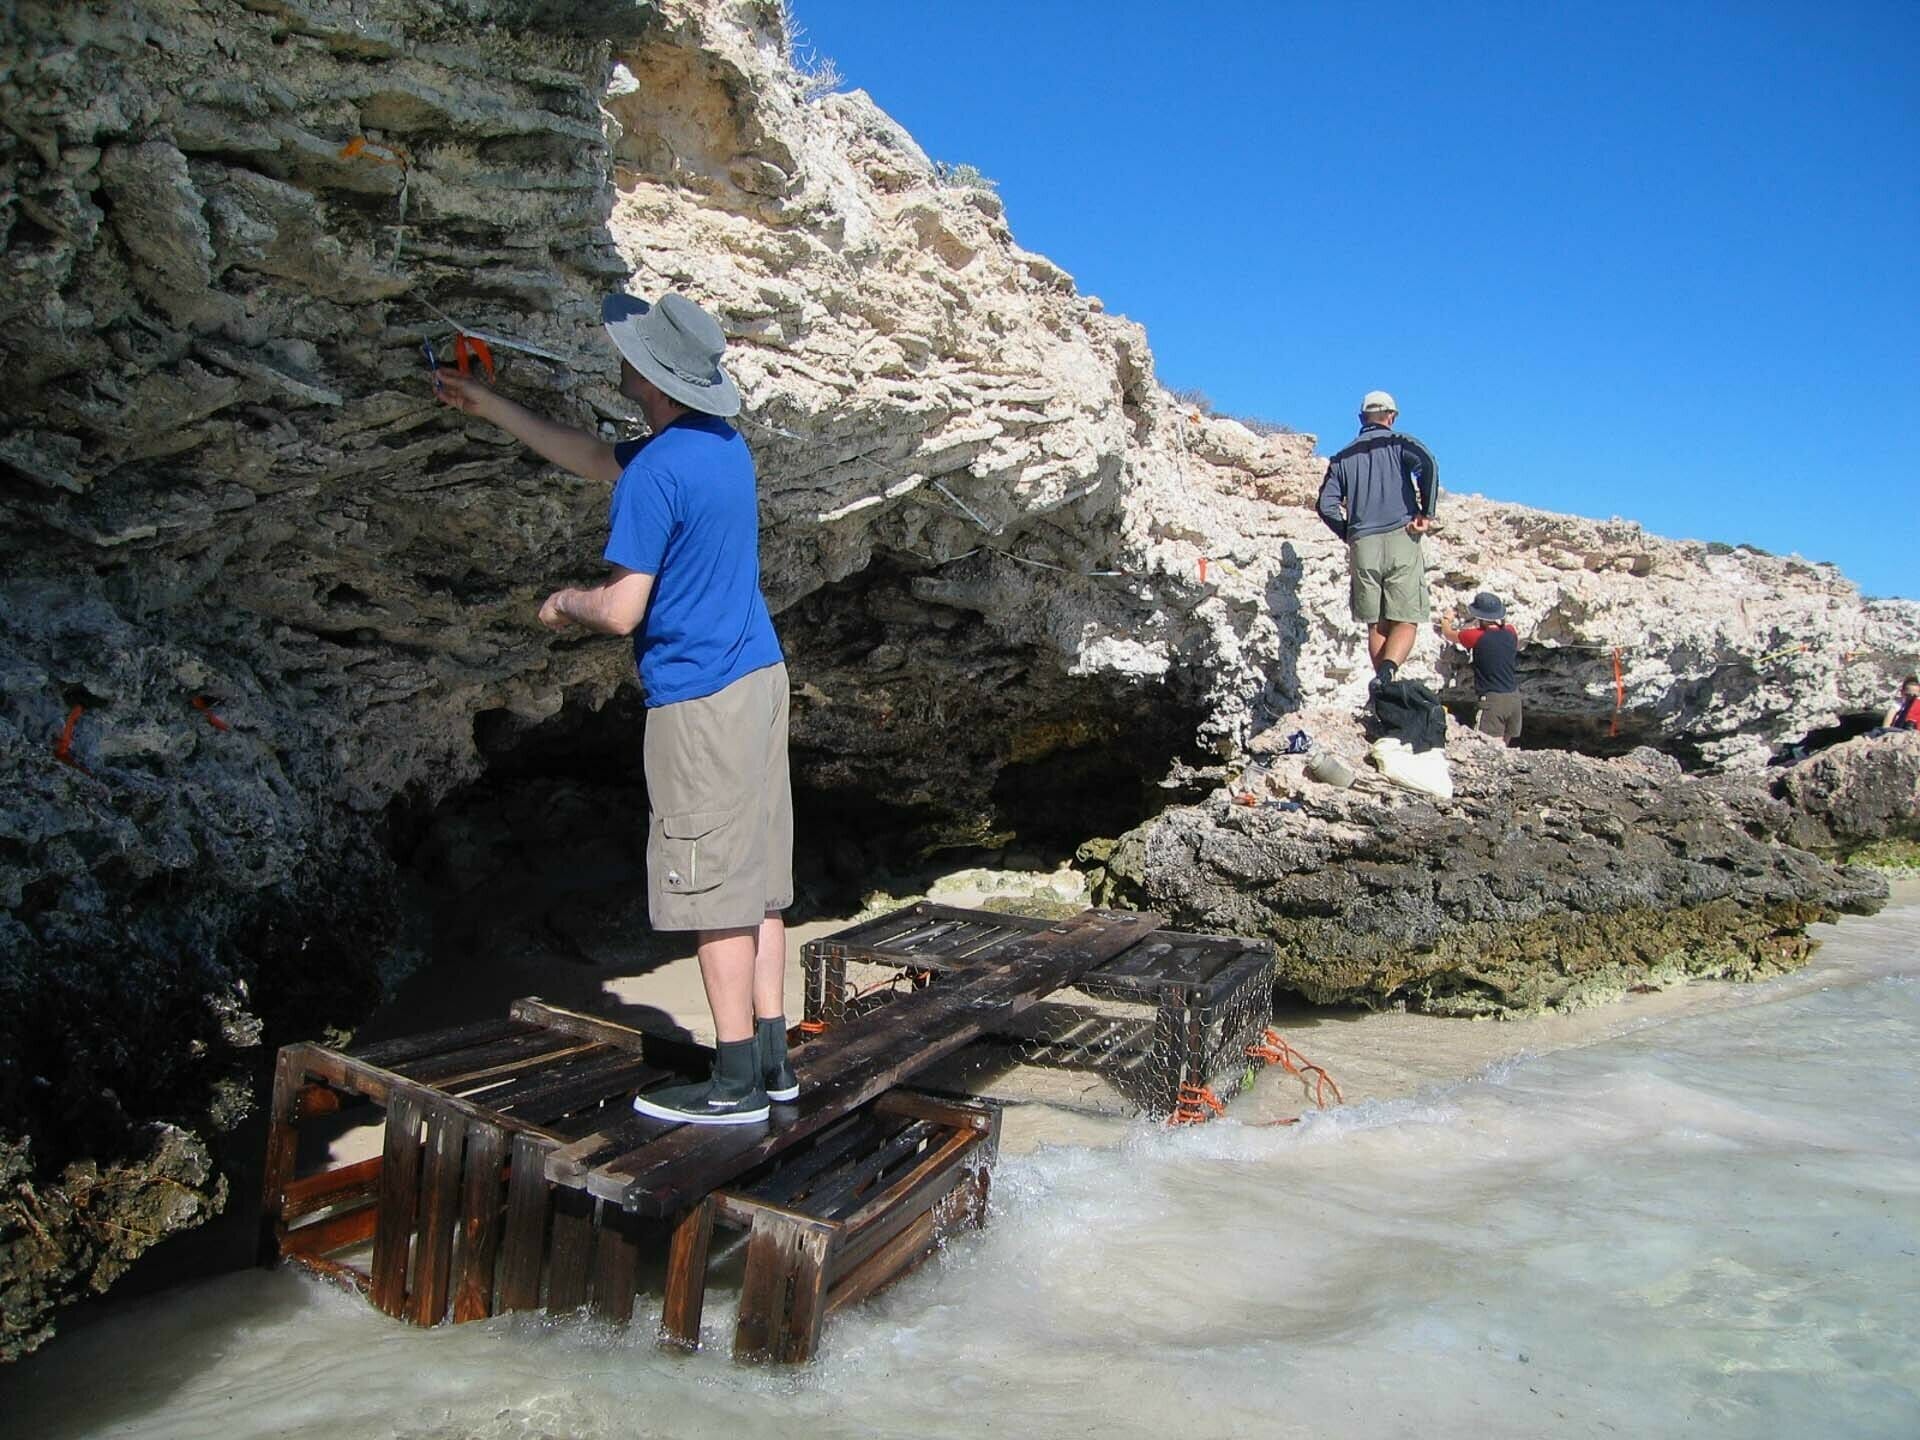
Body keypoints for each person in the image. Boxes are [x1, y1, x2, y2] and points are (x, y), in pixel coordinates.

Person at [434, 292, 795, 1126]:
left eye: (631, 352)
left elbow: (625, 609)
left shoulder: (662, 470)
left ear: (655, 376)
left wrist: (566, 602)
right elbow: (595, 456)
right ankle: (773, 1065)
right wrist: (487, 403)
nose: (618, 358)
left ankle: (732, 1084)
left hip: (700, 696)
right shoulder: (716, 445)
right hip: (758, 679)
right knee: (759, 885)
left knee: (710, 888)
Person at [1316, 391, 1440, 687]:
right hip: (1401, 535)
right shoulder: (1400, 443)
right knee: (1407, 618)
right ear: (1392, 417)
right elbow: (1429, 465)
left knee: (1377, 623)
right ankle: (1388, 672)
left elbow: (1325, 505)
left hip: (1362, 543)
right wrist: (1426, 512)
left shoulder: (1342, 458)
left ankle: (1383, 686)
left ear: (1361, 419)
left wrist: (1348, 533)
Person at [1437, 591, 1522, 743]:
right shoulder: (1511, 631)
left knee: (1487, 747)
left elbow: (1448, 634)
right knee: (1505, 748)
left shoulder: (1476, 636)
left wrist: (1446, 619)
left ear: (1479, 616)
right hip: (1514, 698)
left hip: (1493, 700)